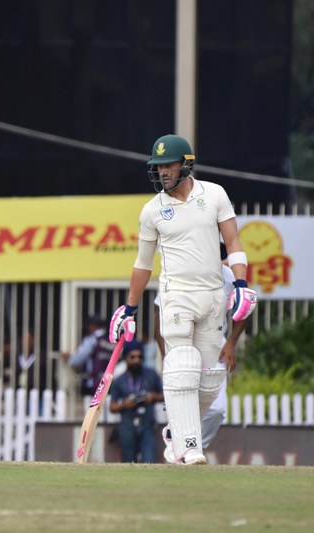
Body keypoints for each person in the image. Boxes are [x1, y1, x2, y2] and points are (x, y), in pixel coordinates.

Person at [109, 134, 257, 466]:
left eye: (168, 166)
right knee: (182, 366)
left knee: (209, 379)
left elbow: (233, 243)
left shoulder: (215, 195)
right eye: (158, 167)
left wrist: (243, 283)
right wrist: (129, 309)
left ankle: (176, 433)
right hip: (177, 295)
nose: (162, 173)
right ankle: (190, 448)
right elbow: (143, 264)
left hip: (212, 297)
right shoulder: (152, 211)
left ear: (186, 165)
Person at [154, 243, 248, 453]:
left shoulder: (229, 276)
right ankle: (183, 448)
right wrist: (165, 352)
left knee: (215, 409)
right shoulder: (179, 274)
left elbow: (244, 311)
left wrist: (232, 342)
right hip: (182, 343)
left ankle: (192, 447)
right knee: (185, 399)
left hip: (216, 344)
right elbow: (158, 313)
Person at [109, 340, 164, 463]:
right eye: (132, 357)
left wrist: (152, 397)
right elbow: (112, 407)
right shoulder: (120, 380)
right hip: (127, 424)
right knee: (128, 462)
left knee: (149, 460)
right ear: (126, 358)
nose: (136, 360)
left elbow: (165, 396)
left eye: (139, 357)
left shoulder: (151, 375)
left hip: (147, 423)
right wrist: (125, 404)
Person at [63, 315, 116, 396]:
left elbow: (77, 360)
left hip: (94, 384)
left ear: (92, 326)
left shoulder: (92, 339)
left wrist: (69, 359)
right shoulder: (111, 341)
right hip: (110, 382)